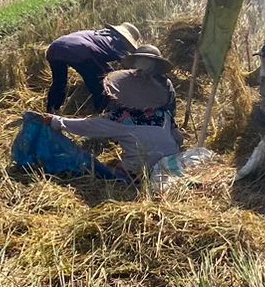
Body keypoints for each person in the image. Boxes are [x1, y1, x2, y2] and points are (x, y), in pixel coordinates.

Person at [29, 43, 182, 175]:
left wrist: (56, 121)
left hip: (143, 168)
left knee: (116, 169)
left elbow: (87, 126)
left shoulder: (121, 119)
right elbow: (178, 137)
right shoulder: (164, 114)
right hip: (172, 160)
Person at [44, 22, 142, 113]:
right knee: (105, 82)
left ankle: (51, 111)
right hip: (81, 51)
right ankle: (103, 113)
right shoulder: (117, 43)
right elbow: (129, 67)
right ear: (126, 39)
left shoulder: (97, 34)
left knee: (59, 82)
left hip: (54, 48)